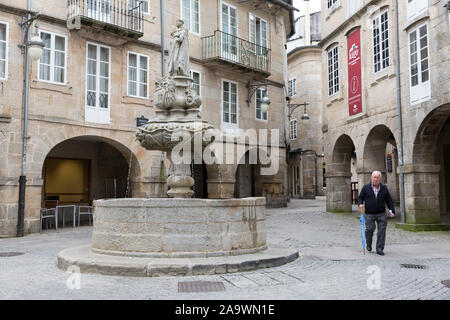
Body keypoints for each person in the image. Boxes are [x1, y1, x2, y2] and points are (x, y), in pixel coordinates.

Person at [357, 171, 395, 256]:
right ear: (371, 178)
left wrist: (391, 211)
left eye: (377, 177)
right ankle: (369, 244)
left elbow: (389, 200)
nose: (376, 179)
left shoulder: (384, 188)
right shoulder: (366, 188)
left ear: (380, 179)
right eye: (374, 177)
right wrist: (360, 204)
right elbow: (360, 197)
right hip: (369, 213)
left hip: (381, 213)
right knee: (369, 229)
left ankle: (380, 248)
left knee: (382, 231)